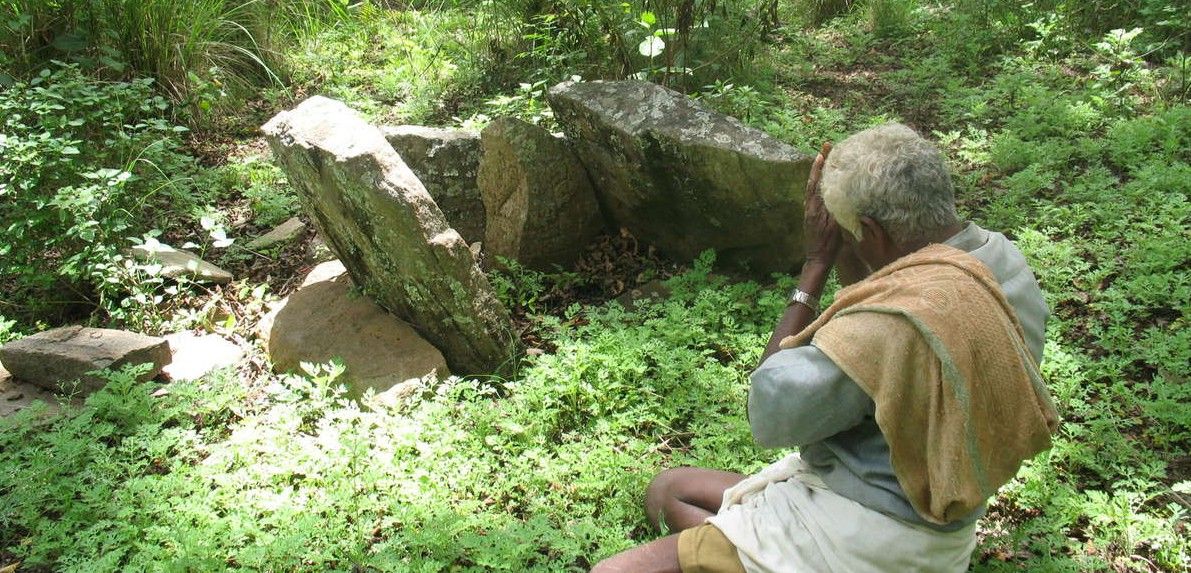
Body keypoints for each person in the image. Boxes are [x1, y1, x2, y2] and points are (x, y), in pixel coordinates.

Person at [590, 123, 1060, 573]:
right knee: (668, 490)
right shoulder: (1004, 266)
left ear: (872, 233)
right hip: (945, 532)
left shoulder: (887, 324)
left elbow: (769, 410)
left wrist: (816, 264)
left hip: (864, 536)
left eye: (846, 231)